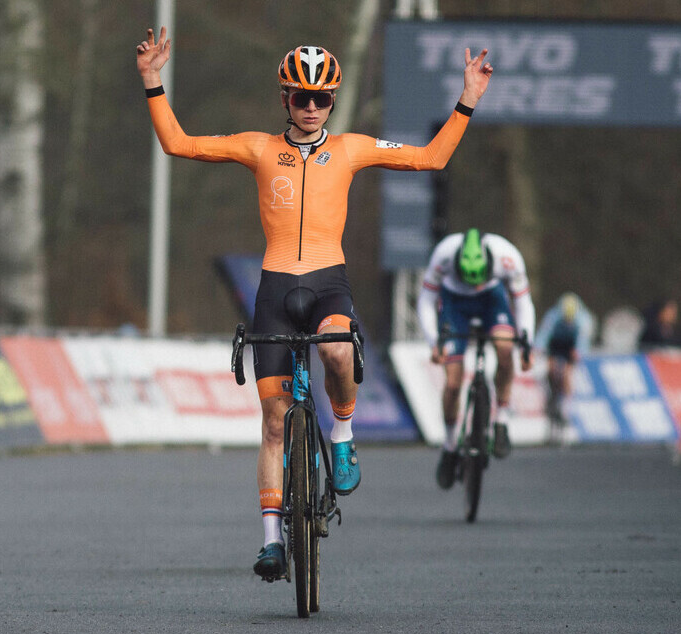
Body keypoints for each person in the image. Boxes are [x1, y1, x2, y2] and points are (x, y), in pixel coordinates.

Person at [136, 27, 493, 580]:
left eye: (321, 97)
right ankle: (272, 540)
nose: (310, 107)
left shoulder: (349, 149)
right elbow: (179, 145)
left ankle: (344, 435)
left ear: (331, 100)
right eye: (300, 97)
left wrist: (467, 98)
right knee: (274, 423)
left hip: (328, 281)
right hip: (276, 289)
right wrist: (152, 81)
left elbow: (430, 159)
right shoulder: (260, 148)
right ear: (285, 98)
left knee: (337, 352)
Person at [417, 228, 534, 489]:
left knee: (505, 349)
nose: (474, 284)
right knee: (453, 382)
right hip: (454, 304)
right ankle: (449, 446)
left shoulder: (507, 256)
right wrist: (434, 342)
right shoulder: (444, 254)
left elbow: (523, 302)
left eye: (478, 279)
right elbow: (426, 300)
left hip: (491, 301)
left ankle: (501, 421)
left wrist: (526, 344)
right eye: (469, 278)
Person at [533, 292, 592, 425]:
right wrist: (539, 347)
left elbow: (583, 339)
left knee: (567, 373)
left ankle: (566, 406)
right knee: (551, 369)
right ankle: (551, 395)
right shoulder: (553, 316)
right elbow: (544, 333)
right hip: (555, 344)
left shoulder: (584, 319)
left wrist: (579, 351)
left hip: (570, 346)